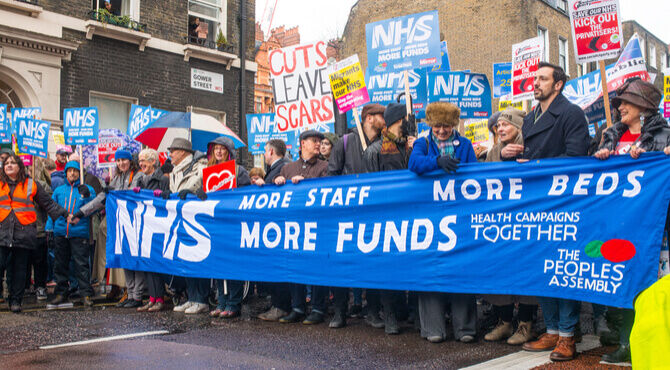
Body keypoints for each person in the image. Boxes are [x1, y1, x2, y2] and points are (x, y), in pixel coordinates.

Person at [592, 78, 668, 364]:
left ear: (643, 106)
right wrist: (599, 157)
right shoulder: (610, 134)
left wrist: (657, 158)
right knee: (623, 282)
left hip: (652, 228)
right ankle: (626, 342)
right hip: (616, 225)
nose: (620, 107)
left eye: (626, 102)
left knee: (649, 286)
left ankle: (649, 341)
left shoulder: (665, 135)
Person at [520, 62, 591, 362]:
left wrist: (535, 167)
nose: (535, 83)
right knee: (542, 266)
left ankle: (567, 335)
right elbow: (532, 154)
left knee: (564, 267)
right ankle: (550, 329)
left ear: (558, 84)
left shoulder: (572, 113)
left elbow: (575, 157)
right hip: (538, 203)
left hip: (563, 202)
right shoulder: (528, 119)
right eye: (535, 78)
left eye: (543, 79)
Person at [407, 102, 478, 343]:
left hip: (458, 214)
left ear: (453, 125)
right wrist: (436, 163)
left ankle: (465, 328)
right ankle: (433, 328)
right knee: (431, 268)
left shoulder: (465, 145)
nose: (441, 131)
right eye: (437, 126)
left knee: (462, 267)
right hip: (429, 216)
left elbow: (475, 174)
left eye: (446, 126)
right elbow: (414, 164)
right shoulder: (423, 143)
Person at [481, 108, 538, 345]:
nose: (500, 129)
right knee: (499, 268)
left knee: (526, 269)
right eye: (498, 127)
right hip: (501, 221)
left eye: (505, 125)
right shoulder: (494, 150)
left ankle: (526, 324)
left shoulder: (532, 143)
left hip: (526, 220)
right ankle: (504, 322)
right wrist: (501, 156)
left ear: (518, 126)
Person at [327, 103, 385, 329]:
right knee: (342, 263)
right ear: (369, 118)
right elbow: (332, 174)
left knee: (373, 264)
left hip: (373, 214)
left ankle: (373, 311)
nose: (385, 119)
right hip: (347, 214)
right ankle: (340, 311)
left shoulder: (384, 143)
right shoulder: (344, 141)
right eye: (381, 116)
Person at [363, 102, 417, 335]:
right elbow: (370, 186)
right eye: (406, 118)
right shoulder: (374, 151)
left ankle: (408, 311)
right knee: (387, 268)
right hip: (385, 217)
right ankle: (390, 315)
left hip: (410, 215)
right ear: (398, 120)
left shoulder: (412, 148)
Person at [0, 154, 70, 312]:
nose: (9, 165)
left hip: (23, 233)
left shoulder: (31, 184)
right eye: (6, 163)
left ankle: (16, 302)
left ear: (20, 167)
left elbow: (48, 203)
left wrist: (66, 215)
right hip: (2, 233)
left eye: (13, 163)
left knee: (19, 270)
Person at [274, 130, 328, 325]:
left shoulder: (325, 167)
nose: (318, 144)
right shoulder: (288, 168)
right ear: (302, 143)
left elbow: (328, 190)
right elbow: (278, 194)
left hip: (316, 225)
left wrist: (308, 185)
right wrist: (278, 182)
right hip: (294, 226)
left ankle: (317, 308)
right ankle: (297, 307)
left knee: (316, 267)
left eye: (320, 141)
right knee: (294, 265)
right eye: (314, 141)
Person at [76, 149, 138, 305]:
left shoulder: (137, 176)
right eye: (118, 161)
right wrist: (81, 213)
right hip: (114, 223)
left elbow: (134, 194)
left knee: (126, 257)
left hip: (131, 223)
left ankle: (130, 291)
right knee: (113, 256)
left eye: (124, 160)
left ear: (130, 161)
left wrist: (114, 191)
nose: (121, 163)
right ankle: (121, 288)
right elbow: (101, 198)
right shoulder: (116, 177)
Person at [206, 136, 250, 319]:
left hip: (233, 223)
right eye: (216, 148)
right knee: (217, 264)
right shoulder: (208, 172)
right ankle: (221, 301)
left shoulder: (239, 171)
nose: (218, 151)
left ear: (229, 152)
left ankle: (234, 303)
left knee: (232, 264)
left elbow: (247, 194)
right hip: (215, 223)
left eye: (222, 148)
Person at [166, 138, 210, 315]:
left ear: (183, 152)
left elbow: (203, 187)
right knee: (185, 258)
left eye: (173, 151)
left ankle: (201, 299)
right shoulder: (175, 171)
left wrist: (191, 193)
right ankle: (192, 297)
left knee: (198, 259)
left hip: (197, 218)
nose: (170, 155)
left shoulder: (200, 167)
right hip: (181, 217)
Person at [48, 161, 96, 308]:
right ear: (66, 173)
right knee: (60, 264)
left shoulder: (87, 189)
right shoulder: (59, 191)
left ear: (79, 173)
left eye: (76, 171)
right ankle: (61, 292)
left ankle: (85, 293)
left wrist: (87, 196)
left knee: (81, 265)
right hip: (61, 232)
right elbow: (52, 212)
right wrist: (49, 229)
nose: (73, 173)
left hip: (79, 232)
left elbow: (93, 208)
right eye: (70, 171)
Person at [255, 142, 292, 321]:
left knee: (278, 267)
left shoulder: (282, 168)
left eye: (264, 151)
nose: (263, 154)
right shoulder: (275, 168)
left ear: (270, 151)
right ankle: (277, 304)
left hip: (278, 226)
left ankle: (281, 306)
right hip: (274, 227)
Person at [132, 148, 170, 312]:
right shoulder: (141, 179)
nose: (141, 164)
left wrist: (162, 194)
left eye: (144, 160)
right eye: (140, 161)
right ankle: (152, 298)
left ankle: (159, 298)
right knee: (147, 261)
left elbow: (169, 196)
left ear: (153, 161)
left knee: (156, 262)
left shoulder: (162, 179)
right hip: (145, 224)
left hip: (158, 224)